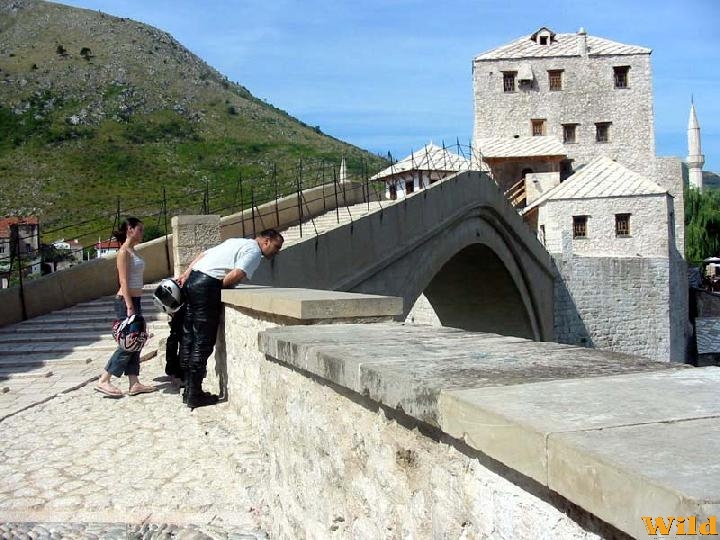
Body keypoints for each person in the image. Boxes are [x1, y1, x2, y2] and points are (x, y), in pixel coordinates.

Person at [177, 229, 284, 409]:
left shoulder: (236, 241)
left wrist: (186, 274)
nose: (277, 251)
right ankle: (194, 394)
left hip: (194, 280)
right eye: (276, 246)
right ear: (266, 241)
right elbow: (237, 274)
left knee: (189, 337)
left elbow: (202, 255)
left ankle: (187, 388)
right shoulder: (254, 252)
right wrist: (217, 288)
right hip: (206, 285)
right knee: (202, 341)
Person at [95, 217, 157, 398]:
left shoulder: (133, 250)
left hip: (135, 300)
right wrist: (130, 306)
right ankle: (104, 379)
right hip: (126, 301)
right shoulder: (124, 252)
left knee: (136, 341)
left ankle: (134, 382)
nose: (142, 233)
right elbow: (123, 280)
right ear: (130, 229)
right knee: (128, 342)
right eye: (139, 230)